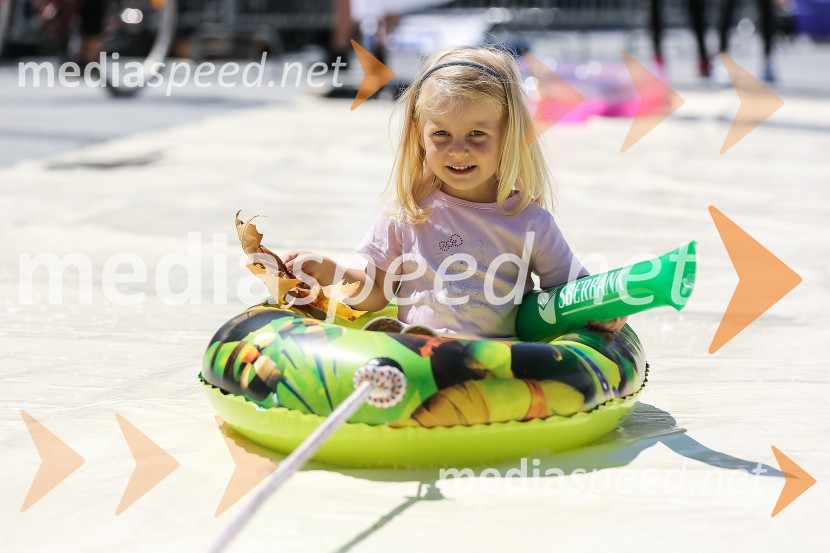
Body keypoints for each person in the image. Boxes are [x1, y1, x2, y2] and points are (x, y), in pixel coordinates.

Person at [285, 45, 626, 338]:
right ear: (420, 134)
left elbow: (567, 291)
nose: (458, 150)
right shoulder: (407, 212)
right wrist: (329, 270)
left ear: (508, 135)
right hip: (418, 360)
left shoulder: (529, 222)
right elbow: (376, 294)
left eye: (477, 134)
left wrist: (598, 309)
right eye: (442, 135)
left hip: (498, 368)